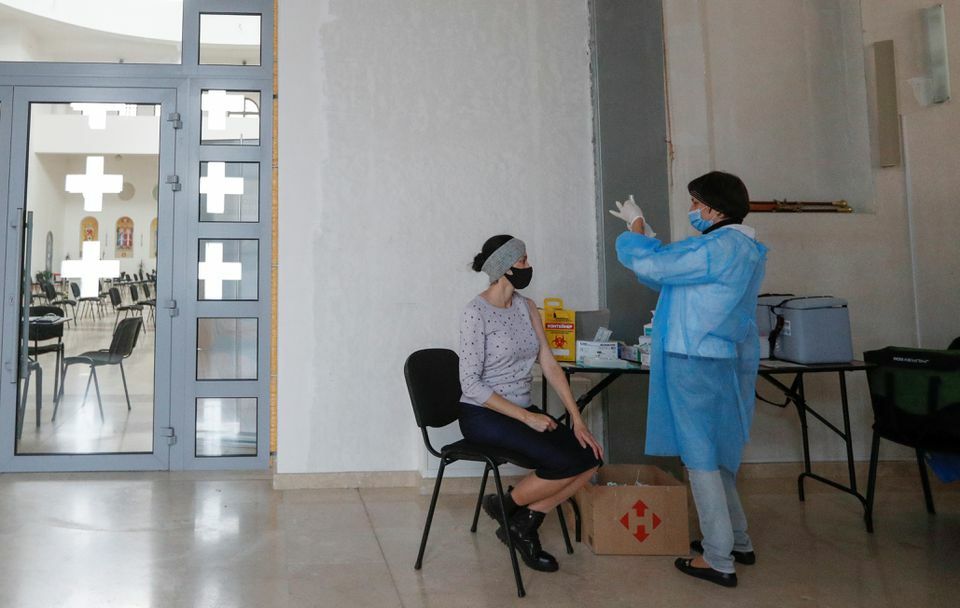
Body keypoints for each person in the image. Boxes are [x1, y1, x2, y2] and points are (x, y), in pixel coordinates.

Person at [610, 171, 767, 588]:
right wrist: (648, 233)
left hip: (691, 358)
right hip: (719, 358)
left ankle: (717, 559)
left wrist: (635, 227)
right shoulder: (741, 246)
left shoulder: (717, 247)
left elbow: (652, 265)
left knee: (700, 460)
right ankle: (737, 540)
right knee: (717, 455)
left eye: (696, 203)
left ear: (715, 208)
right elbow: (670, 271)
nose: (692, 210)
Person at [459, 234, 603, 573]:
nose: (528, 265)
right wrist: (527, 418)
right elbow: (470, 384)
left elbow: (548, 363)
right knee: (562, 463)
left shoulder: (527, 307)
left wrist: (577, 419)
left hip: (522, 412)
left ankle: (521, 518)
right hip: (483, 414)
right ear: (504, 266)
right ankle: (510, 511)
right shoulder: (475, 313)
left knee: (591, 458)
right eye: (522, 260)